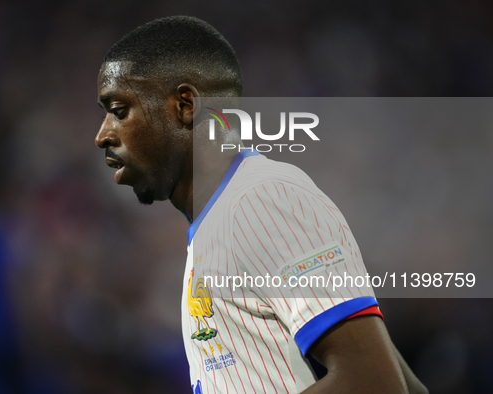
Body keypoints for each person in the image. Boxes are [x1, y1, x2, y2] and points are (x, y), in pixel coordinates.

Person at [94, 16, 428, 394]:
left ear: (185, 106)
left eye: (119, 110)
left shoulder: (261, 199)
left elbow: (375, 383)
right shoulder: (220, 219)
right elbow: (404, 385)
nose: (102, 135)